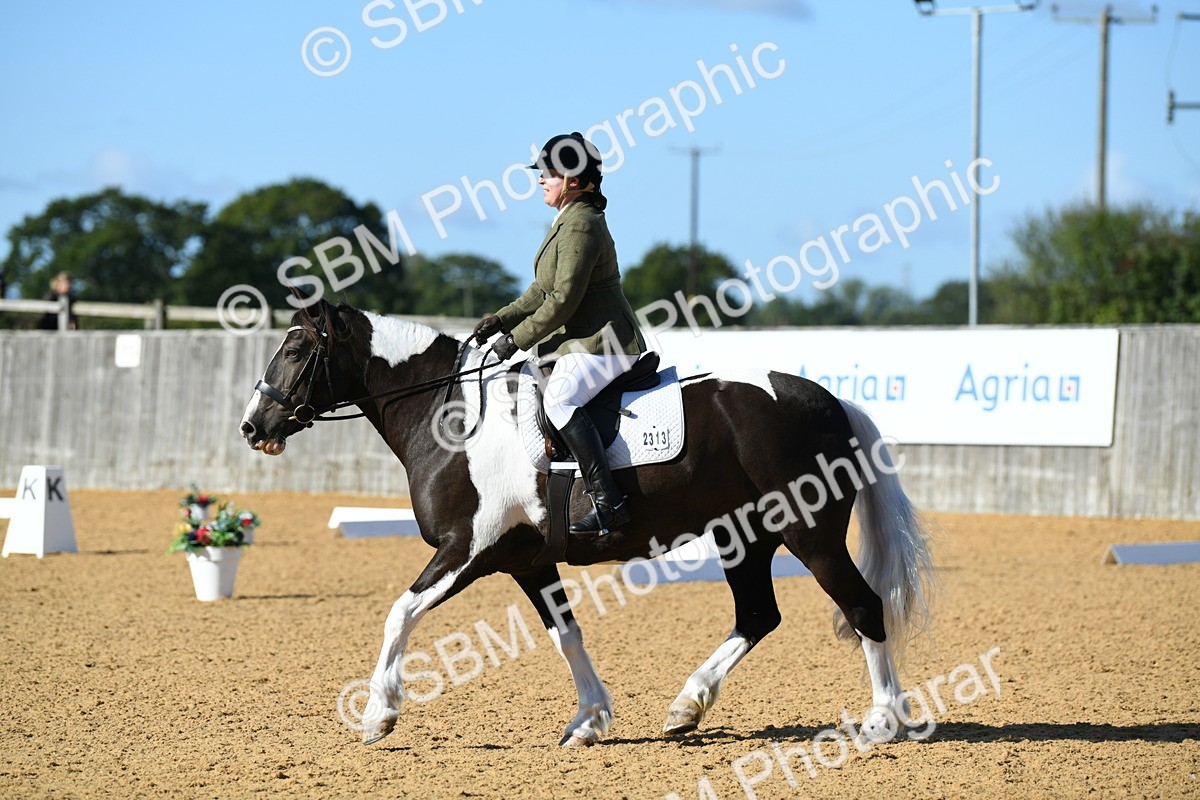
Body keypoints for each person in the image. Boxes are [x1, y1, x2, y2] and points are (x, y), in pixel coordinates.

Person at [474, 132, 648, 535]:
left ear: (571, 179)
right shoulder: (567, 220)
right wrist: (502, 318)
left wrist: (515, 340)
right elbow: (542, 289)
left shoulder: (581, 225)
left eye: (548, 174)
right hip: (581, 342)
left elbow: (564, 300)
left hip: (605, 343)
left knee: (560, 399)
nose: (540, 180)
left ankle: (608, 503)